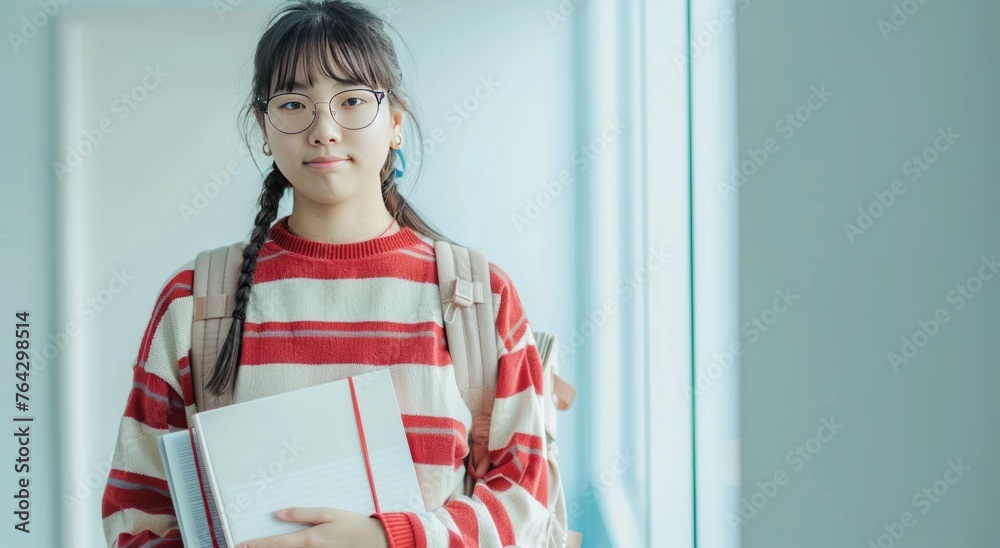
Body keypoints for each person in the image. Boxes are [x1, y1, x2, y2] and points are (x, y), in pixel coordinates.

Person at [100, 1, 552, 547]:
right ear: (264, 128)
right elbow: (136, 515)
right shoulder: (194, 303)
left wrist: (390, 539)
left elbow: (525, 505)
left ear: (395, 124)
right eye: (294, 104)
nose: (324, 130)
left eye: (353, 100)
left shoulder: (478, 298)